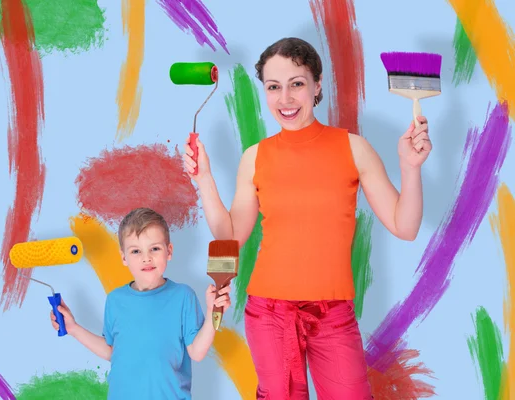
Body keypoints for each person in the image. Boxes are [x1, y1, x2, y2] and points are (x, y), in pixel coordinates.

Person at [183, 37, 432, 399]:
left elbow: (404, 226)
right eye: (273, 87)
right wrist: (204, 178)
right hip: (268, 312)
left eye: (296, 84)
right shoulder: (254, 157)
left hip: (333, 314)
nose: (285, 99)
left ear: (317, 85)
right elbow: (231, 235)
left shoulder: (353, 147)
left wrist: (411, 168)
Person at [50, 207, 232, 399]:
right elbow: (112, 351)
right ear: (123, 257)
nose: (146, 258)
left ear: (168, 251)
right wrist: (73, 328)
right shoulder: (115, 300)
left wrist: (213, 313)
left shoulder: (183, 297)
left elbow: (196, 352)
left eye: (154, 248)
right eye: (136, 251)